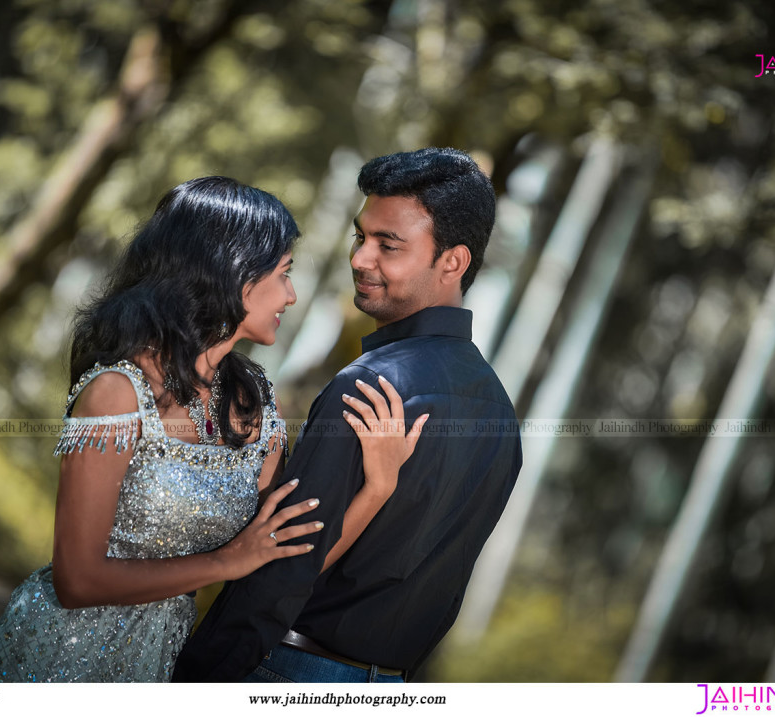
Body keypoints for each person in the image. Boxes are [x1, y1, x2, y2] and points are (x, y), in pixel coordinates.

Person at [0, 177, 425, 682]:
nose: (291, 296)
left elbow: (286, 557)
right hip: (54, 661)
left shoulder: (257, 406)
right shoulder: (118, 393)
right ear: (232, 271)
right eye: (284, 273)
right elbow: (77, 580)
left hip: (160, 669)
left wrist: (380, 486)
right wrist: (226, 562)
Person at [171, 148, 523, 683]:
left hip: (284, 669)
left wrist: (200, 678)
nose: (360, 258)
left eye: (389, 245)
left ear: (452, 262)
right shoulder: (502, 420)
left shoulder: (368, 389)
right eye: (362, 236)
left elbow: (285, 564)